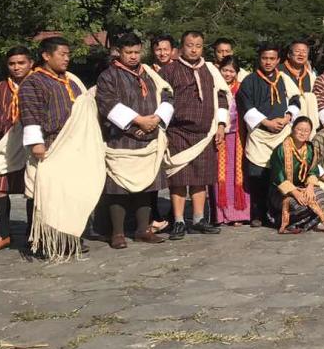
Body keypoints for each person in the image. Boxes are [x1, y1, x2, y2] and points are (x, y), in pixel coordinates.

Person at [20, 37, 102, 259]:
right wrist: (36, 142)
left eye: (68, 54)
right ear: (46, 56)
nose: (67, 58)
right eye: (62, 54)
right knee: (43, 193)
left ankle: (69, 237)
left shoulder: (71, 81)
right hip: (49, 144)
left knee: (70, 193)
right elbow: (30, 113)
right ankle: (43, 241)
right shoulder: (33, 82)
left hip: (73, 147)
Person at [96, 32, 174, 249]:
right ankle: (118, 233)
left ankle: (143, 230)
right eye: (128, 52)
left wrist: (156, 119)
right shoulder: (108, 76)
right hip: (121, 140)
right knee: (118, 189)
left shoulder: (150, 74)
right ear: (119, 52)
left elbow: (167, 94)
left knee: (147, 187)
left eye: (137, 52)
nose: (133, 56)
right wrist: (138, 122)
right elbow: (107, 104)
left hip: (149, 137)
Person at [159, 31, 230, 238]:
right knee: (179, 178)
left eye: (198, 46)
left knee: (201, 178)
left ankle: (199, 219)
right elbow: (162, 98)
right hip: (178, 132)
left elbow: (222, 96)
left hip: (205, 133)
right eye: (190, 45)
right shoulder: (169, 70)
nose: (194, 49)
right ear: (181, 47)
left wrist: (221, 125)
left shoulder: (210, 70)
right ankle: (179, 221)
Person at [238, 43, 302, 227]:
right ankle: (257, 213)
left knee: (279, 173)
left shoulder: (284, 78)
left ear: (278, 60)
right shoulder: (249, 81)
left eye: (272, 58)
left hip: (281, 134)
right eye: (265, 58)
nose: (268, 62)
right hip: (260, 134)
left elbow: (296, 99)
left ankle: (276, 211)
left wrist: (288, 116)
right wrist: (266, 122)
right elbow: (246, 105)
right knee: (257, 175)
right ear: (259, 59)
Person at [0, 46, 34, 252]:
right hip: (6, 141)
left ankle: (33, 234)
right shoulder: (1, 88)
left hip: (31, 142)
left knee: (33, 189)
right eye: (12, 63)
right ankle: (4, 234)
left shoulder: (38, 82)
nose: (16, 67)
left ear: (31, 63)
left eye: (21, 63)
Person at [268, 117, 324, 234]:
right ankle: (283, 221)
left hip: (303, 188)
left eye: (306, 131)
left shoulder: (310, 148)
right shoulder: (280, 150)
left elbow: (313, 170)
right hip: (282, 192)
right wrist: (295, 192)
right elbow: (278, 177)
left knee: (319, 195)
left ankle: (302, 223)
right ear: (292, 129)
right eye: (299, 129)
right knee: (299, 205)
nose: (302, 133)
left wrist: (310, 187)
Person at [214, 56, 250, 226]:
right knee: (220, 174)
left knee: (238, 172)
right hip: (219, 134)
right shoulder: (214, 86)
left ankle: (239, 214)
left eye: (231, 71)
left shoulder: (241, 88)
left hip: (239, 135)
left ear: (236, 73)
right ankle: (221, 214)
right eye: (225, 70)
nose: (228, 74)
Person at [282, 40, 319, 130]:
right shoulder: (279, 72)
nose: (301, 54)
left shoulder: (310, 75)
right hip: (285, 120)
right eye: (297, 51)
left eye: (304, 52)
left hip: (306, 123)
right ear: (289, 54)